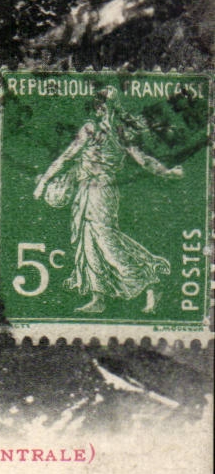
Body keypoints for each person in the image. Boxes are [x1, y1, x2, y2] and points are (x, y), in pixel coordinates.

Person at [33, 87, 180, 315]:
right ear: (99, 108)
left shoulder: (121, 133)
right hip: (84, 190)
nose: (105, 110)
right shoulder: (90, 130)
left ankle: (151, 283)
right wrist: (44, 181)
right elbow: (67, 156)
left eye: (109, 105)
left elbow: (143, 160)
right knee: (88, 241)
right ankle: (98, 297)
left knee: (105, 240)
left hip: (103, 190)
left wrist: (167, 173)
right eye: (103, 106)